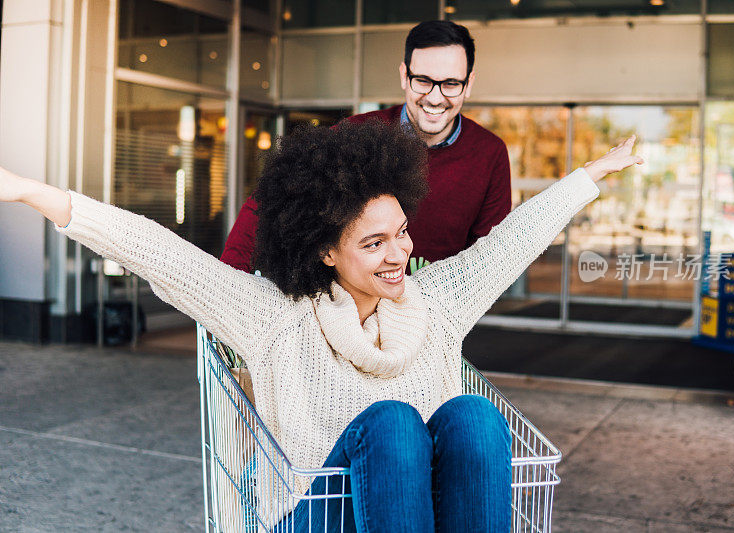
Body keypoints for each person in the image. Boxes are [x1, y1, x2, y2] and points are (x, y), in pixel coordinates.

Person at [0, 121, 642, 532]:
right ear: (326, 251)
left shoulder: (436, 302)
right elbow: (161, 256)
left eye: (403, 235)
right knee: (392, 422)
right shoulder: (279, 319)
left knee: (474, 418)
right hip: (316, 520)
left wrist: (592, 176)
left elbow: (512, 242)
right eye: (374, 244)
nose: (400, 256)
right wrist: (34, 192)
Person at [221, 20, 512, 273]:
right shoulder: (359, 133)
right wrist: (230, 279)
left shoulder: (490, 153)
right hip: (349, 316)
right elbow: (272, 198)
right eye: (422, 80)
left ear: (469, 83)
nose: (435, 98)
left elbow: (488, 256)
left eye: (450, 83)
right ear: (404, 75)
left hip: (433, 318)